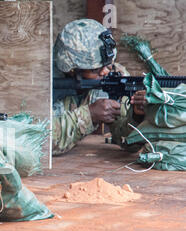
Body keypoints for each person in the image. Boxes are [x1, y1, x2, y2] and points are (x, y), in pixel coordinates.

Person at [52, 18, 146, 155]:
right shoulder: (41, 83)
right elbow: (39, 142)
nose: (105, 72)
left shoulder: (116, 78)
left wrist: (137, 117)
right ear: (71, 70)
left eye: (108, 65)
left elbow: (129, 143)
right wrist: (89, 115)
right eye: (95, 70)